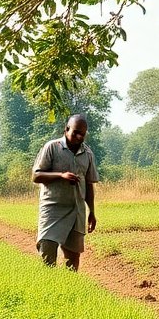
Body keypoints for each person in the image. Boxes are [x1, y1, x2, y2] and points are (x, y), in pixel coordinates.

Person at [32, 114, 98, 270]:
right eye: (75, 132)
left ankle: (70, 289)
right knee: (47, 252)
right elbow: (36, 175)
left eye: (83, 133)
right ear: (66, 129)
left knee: (72, 260)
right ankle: (47, 288)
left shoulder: (87, 154)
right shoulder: (52, 147)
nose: (79, 136)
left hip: (76, 210)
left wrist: (92, 212)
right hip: (52, 208)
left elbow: (89, 185)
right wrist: (60, 175)